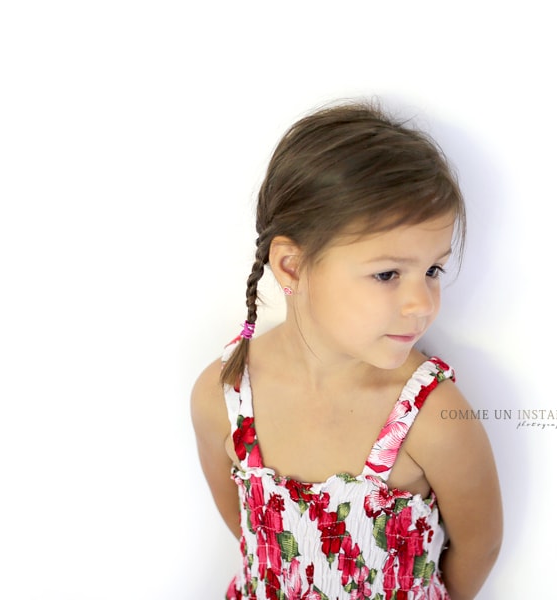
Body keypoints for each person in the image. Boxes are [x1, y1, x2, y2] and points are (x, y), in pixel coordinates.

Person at [191, 101, 502, 600]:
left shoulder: (432, 416)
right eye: (387, 274)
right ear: (291, 266)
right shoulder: (223, 396)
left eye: (433, 270)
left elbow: (479, 545)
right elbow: (244, 528)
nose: (422, 303)